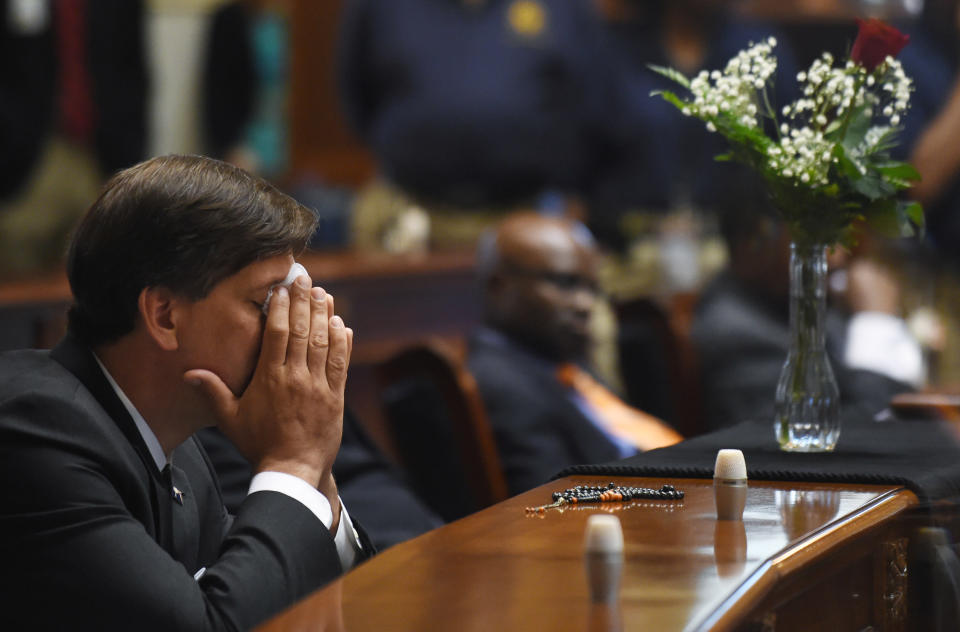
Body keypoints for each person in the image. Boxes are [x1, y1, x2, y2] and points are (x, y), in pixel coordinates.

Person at [0, 155, 371, 630]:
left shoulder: (179, 449)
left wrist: (314, 472)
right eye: (265, 303)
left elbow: (283, 589)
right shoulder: (37, 432)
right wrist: (294, 463)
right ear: (165, 316)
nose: (288, 326)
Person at [336, 0, 619, 250]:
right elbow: (355, 94)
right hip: (409, 216)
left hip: (530, 215)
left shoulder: (568, 6)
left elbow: (592, 98)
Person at [467, 213, 682, 495]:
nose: (585, 304)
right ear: (499, 285)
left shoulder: (561, 361)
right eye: (565, 283)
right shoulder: (499, 384)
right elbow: (553, 507)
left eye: (592, 289)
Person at [691, 208, 924, 431]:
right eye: (815, 238)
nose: (836, 257)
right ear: (755, 240)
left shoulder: (801, 307)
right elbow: (837, 435)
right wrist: (875, 323)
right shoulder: (737, 333)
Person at [0, 0, 148, 277]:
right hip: (26, 161)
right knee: (16, 287)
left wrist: (133, 169)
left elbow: (133, 72)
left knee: (101, 281)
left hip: (102, 159)